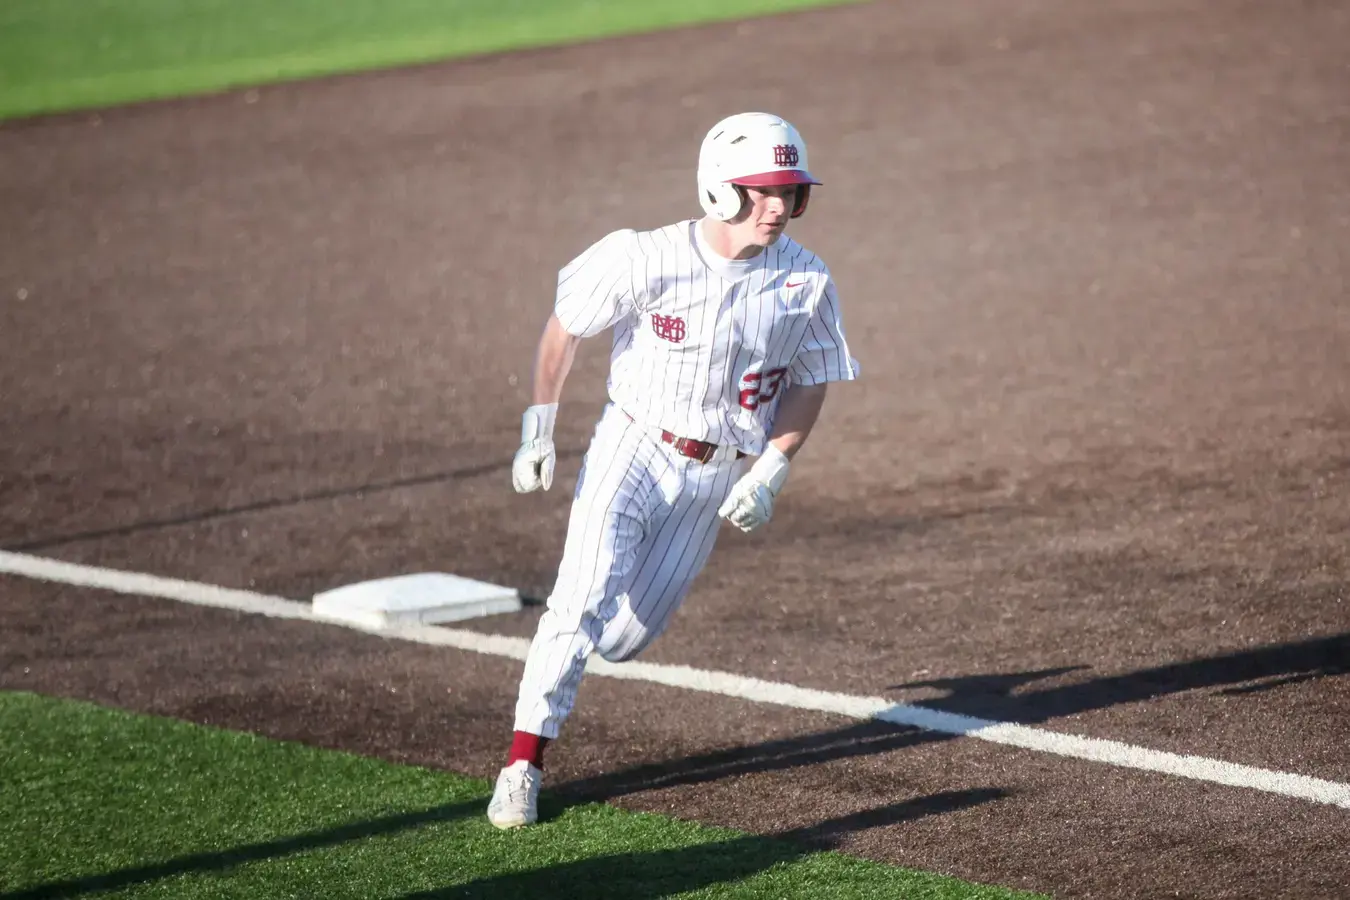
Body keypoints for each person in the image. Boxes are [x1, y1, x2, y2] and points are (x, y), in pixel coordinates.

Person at [487, 111, 860, 828]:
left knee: (624, 640)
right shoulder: (645, 257)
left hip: (712, 477)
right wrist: (539, 427)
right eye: (762, 190)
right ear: (720, 188)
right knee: (579, 599)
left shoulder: (806, 280)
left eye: (789, 191)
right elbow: (565, 327)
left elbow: (812, 378)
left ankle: (576, 644)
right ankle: (522, 766)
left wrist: (773, 467)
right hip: (632, 447)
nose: (778, 206)